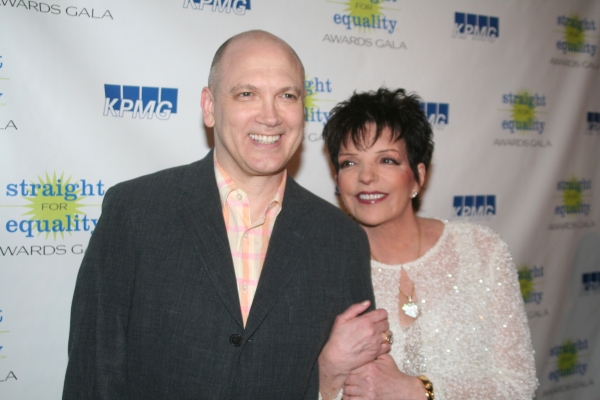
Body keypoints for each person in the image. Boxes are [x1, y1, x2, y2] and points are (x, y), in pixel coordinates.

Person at [62, 30, 389, 399]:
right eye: (247, 94)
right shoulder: (134, 212)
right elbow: (92, 374)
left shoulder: (340, 239)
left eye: (287, 95)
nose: (271, 116)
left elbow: (364, 387)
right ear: (209, 106)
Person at [319, 88, 539, 399]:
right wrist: (328, 374)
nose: (366, 177)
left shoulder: (481, 250)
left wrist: (418, 390)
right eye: (349, 163)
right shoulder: (320, 270)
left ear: (418, 176)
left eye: (386, 160)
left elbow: (519, 386)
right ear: (338, 181)